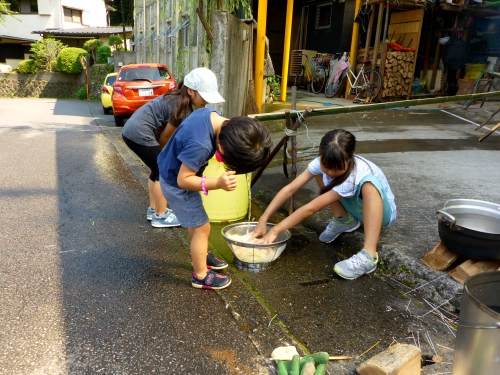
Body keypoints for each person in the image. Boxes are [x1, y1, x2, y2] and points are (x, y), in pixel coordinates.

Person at [157, 69, 272, 289]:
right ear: (221, 147)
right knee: (203, 227)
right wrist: (216, 184)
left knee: (196, 222)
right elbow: (183, 180)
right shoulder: (200, 146)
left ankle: (200, 253)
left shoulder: (211, 115)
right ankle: (200, 275)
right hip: (175, 181)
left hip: (173, 169)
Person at [250, 129, 396, 280]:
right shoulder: (321, 163)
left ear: (351, 157)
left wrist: (275, 230)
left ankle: (369, 255)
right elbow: (289, 189)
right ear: (320, 154)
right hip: (356, 206)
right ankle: (344, 219)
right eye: (326, 165)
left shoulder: (355, 174)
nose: (331, 172)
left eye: (338, 168)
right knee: (318, 172)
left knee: (369, 184)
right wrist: (264, 217)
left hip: (381, 213)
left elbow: (311, 208)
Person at [121, 67, 217, 228]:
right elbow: (165, 137)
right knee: (163, 171)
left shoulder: (178, 98)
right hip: (140, 133)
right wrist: (166, 157)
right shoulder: (181, 107)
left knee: (156, 169)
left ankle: (154, 209)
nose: (206, 101)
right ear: (191, 91)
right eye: (204, 97)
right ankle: (161, 215)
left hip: (132, 130)